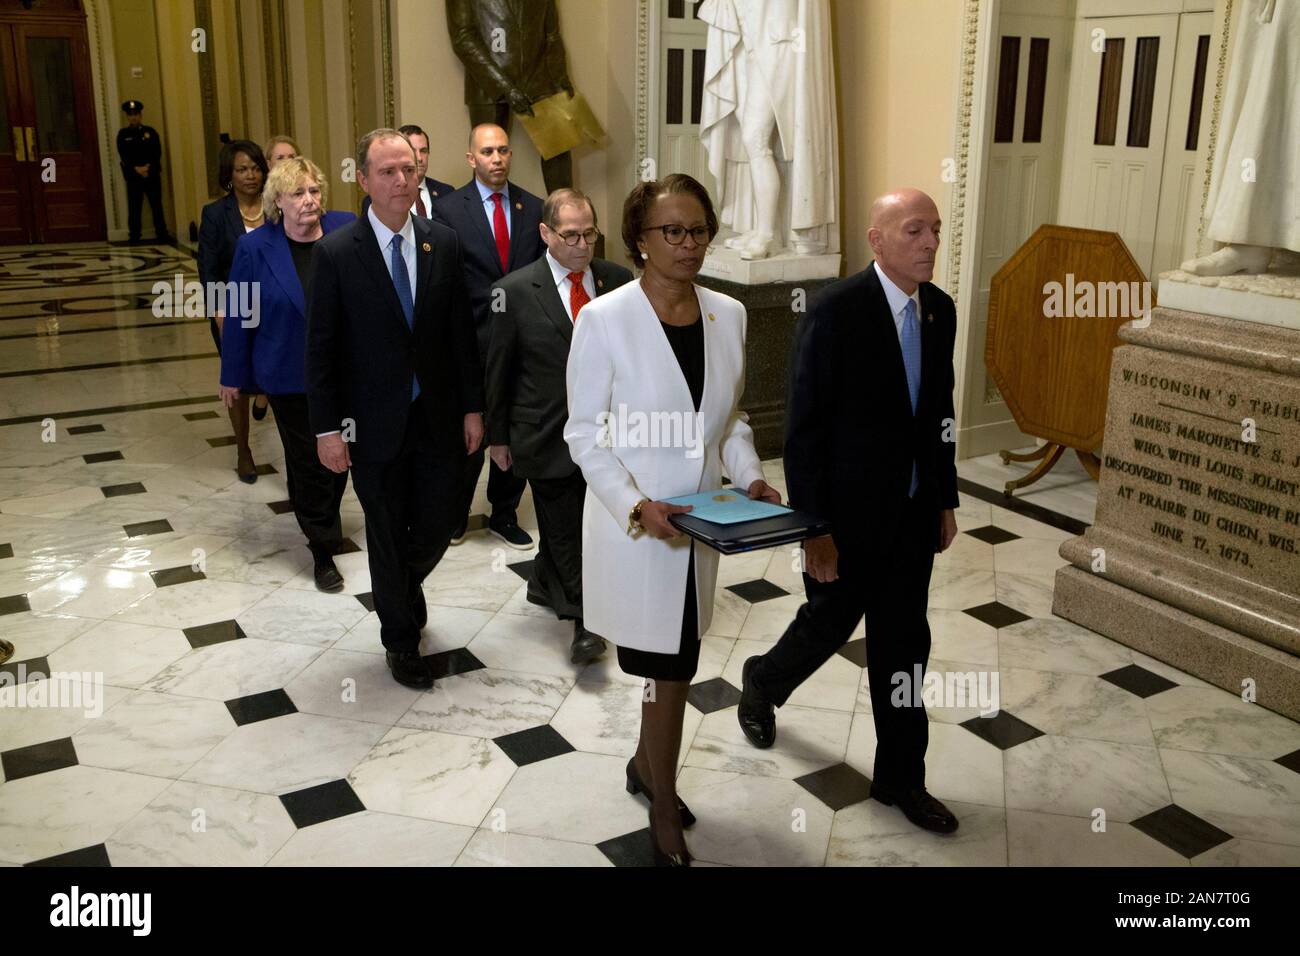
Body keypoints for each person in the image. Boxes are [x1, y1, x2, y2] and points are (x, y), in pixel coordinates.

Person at [565, 174, 780, 865]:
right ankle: (662, 802)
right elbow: (583, 436)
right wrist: (635, 505)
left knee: (676, 662)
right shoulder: (604, 320)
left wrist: (748, 475)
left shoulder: (729, 314)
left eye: (699, 231)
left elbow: (730, 420)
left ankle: (643, 767)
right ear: (639, 241)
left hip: (705, 527)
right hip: (642, 532)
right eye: (673, 232)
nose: (690, 245)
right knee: (670, 668)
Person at [737, 188, 962, 834]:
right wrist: (815, 532)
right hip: (845, 519)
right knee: (828, 623)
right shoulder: (835, 313)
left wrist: (943, 497)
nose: (929, 244)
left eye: (936, 232)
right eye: (914, 231)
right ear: (877, 239)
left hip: (914, 517)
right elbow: (804, 431)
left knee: (903, 648)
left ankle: (902, 779)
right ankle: (762, 682)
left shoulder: (939, 312)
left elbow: (938, 415)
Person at [306, 129, 484, 690]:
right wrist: (328, 430)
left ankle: (403, 587)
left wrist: (473, 409)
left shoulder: (444, 242)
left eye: (408, 169)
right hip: (370, 425)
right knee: (383, 530)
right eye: (387, 171)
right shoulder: (336, 254)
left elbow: (462, 335)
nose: (401, 180)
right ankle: (400, 641)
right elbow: (323, 350)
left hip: (436, 418)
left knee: (436, 523)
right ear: (362, 180)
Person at [486, 188, 632, 666]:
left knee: (584, 525)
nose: (582, 244)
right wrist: (498, 437)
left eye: (590, 233)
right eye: (570, 234)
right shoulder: (513, 291)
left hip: (607, 434)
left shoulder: (617, 281)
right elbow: (499, 369)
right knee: (565, 525)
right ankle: (584, 623)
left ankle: (545, 581)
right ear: (546, 233)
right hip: (544, 431)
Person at [218, 157, 355, 593]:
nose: (309, 200)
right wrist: (232, 375)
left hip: (346, 374)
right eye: (298, 193)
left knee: (340, 460)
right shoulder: (255, 248)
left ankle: (324, 522)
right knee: (308, 460)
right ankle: (321, 547)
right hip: (287, 374)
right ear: (278, 201)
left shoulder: (347, 230)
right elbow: (240, 315)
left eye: (314, 191)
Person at [433, 123, 543, 551]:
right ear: (471, 159)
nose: (496, 159)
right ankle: (455, 515)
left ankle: (504, 512)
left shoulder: (533, 209)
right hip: (470, 337)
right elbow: (446, 279)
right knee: (469, 429)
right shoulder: (447, 210)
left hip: (519, 340)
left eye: (502, 151)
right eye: (487, 152)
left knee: (511, 426)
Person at [445, 0, 576, 193]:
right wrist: (504, 87)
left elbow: (552, 35)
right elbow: (463, 39)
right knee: (489, 160)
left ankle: (565, 216)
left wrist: (560, 76)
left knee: (559, 155)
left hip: (541, 78)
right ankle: (485, 221)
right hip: (487, 84)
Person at [199, 139, 271, 482]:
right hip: (235, 306)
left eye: (256, 168)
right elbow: (208, 267)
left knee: (275, 369)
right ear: (229, 175)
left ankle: (267, 397)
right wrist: (218, 310)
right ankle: (244, 450)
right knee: (237, 380)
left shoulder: (277, 208)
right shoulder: (215, 214)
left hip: (275, 304)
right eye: (242, 169)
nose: (251, 175)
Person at [362, 124, 453, 219]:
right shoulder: (374, 200)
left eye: (423, 151)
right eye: (413, 151)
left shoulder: (447, 193)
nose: (419, 158)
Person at [116, 101, 172, 244]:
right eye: (130, 115)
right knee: (134, 207)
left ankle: (162, 234)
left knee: (156, 206)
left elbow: (156, 152)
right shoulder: (123, 135)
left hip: (151, 175)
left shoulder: (150, 132)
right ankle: (134, 236)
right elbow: (124, 155)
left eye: (135, 115)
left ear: (140, 116)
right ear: (127, 117)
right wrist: (136, 169)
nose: (133, 118)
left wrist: (147, 168)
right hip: (134, 177)